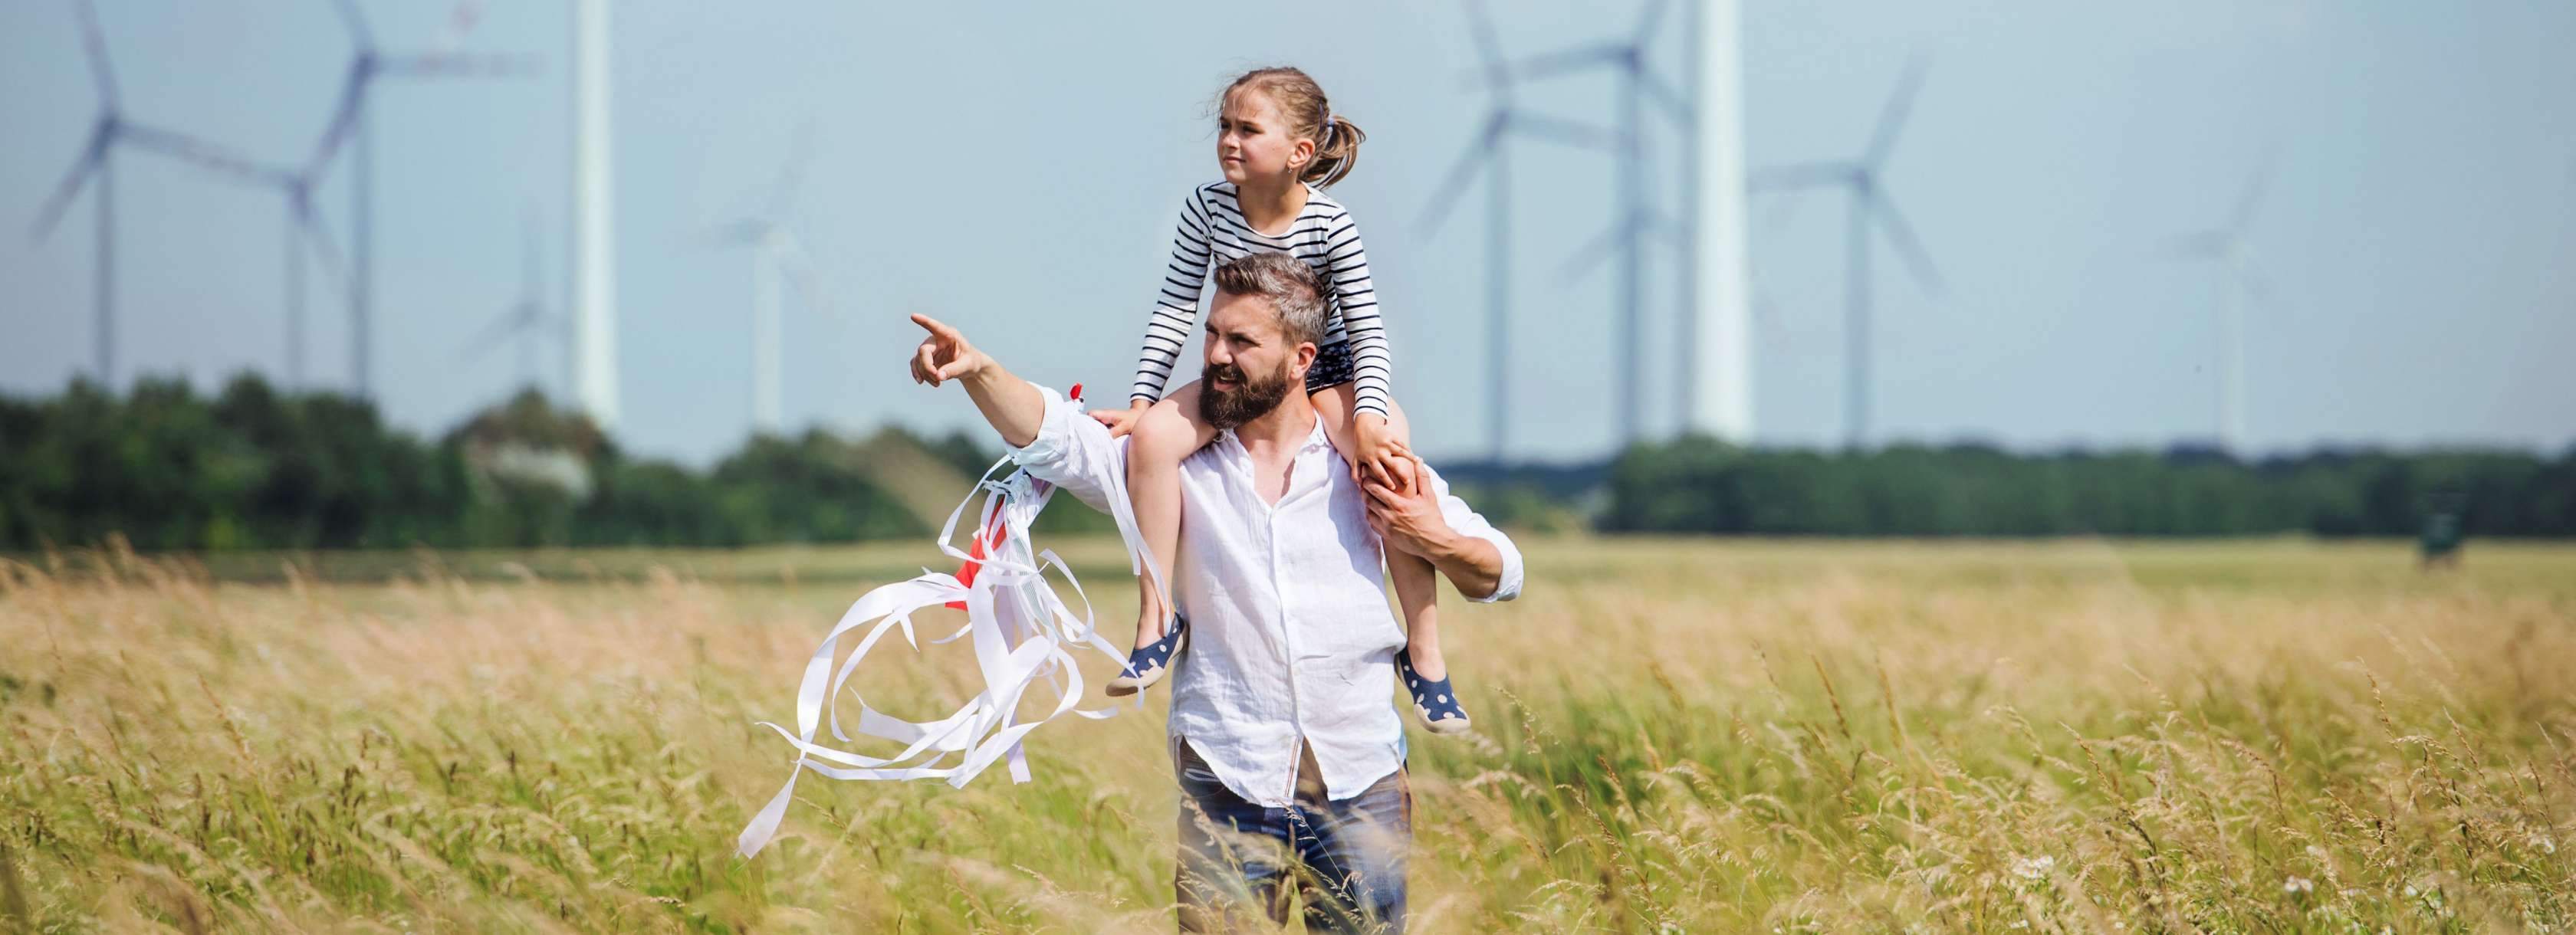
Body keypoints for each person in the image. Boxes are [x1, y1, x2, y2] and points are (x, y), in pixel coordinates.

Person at [908, 250, 1525, 932]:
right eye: (1211, 335)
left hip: (1361, 783)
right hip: (1225, 781)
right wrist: (980, 370)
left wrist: (1431, 537)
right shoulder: (1170, 462)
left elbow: (1501, 571)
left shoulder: (1364, 460)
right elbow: (1058, 439)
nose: (1216, 356)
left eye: (1241, 341)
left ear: (1301, 359)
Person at [1089, 67, 1470, 733]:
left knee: (1391, 464)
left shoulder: (1330, 223)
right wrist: (1144, 401)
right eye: (1224, 126)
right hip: (1240, 369)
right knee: (1152, 441)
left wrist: (1370, 416)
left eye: (1248, 129)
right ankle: (1156, 616)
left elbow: (1368, 329)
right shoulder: (1207, 207)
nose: (1229, 141)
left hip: (1329, 368)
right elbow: (1176, 308)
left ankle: (1425, 652)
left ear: (1300, 152)